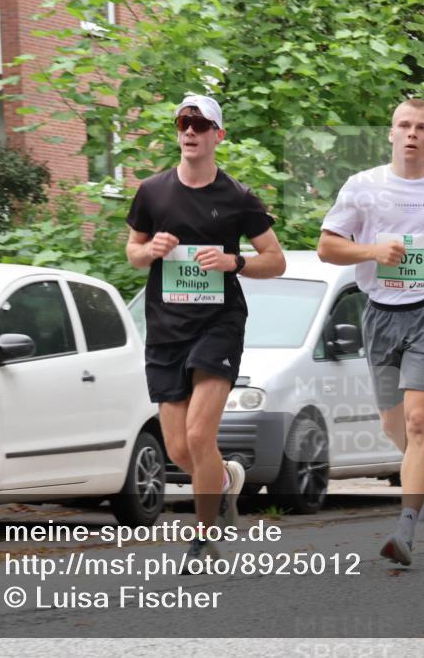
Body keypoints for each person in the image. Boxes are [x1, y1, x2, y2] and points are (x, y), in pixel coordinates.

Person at [317, 98, 424, 566]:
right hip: (379, 312)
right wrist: (372, 250)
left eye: (422, 127)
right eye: (403, 125)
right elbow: (328, 247)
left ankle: (405, 530)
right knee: (393, 424)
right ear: (391, 133)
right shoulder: (362, 186)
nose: (412, 133)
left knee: (419, 422)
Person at [126, 93, 286, 567]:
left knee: (199, 435)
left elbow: (274, 260)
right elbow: (132, 252)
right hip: (166, 330)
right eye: (183, 123)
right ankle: (224, 478)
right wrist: (151, 248)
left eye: (200, 124)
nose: (190, 131)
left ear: (218, 134)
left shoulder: (237, 197)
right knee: (178, 448)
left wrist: (233, 261)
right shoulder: (152, 192)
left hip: (219, 324)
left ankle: (203, 536)